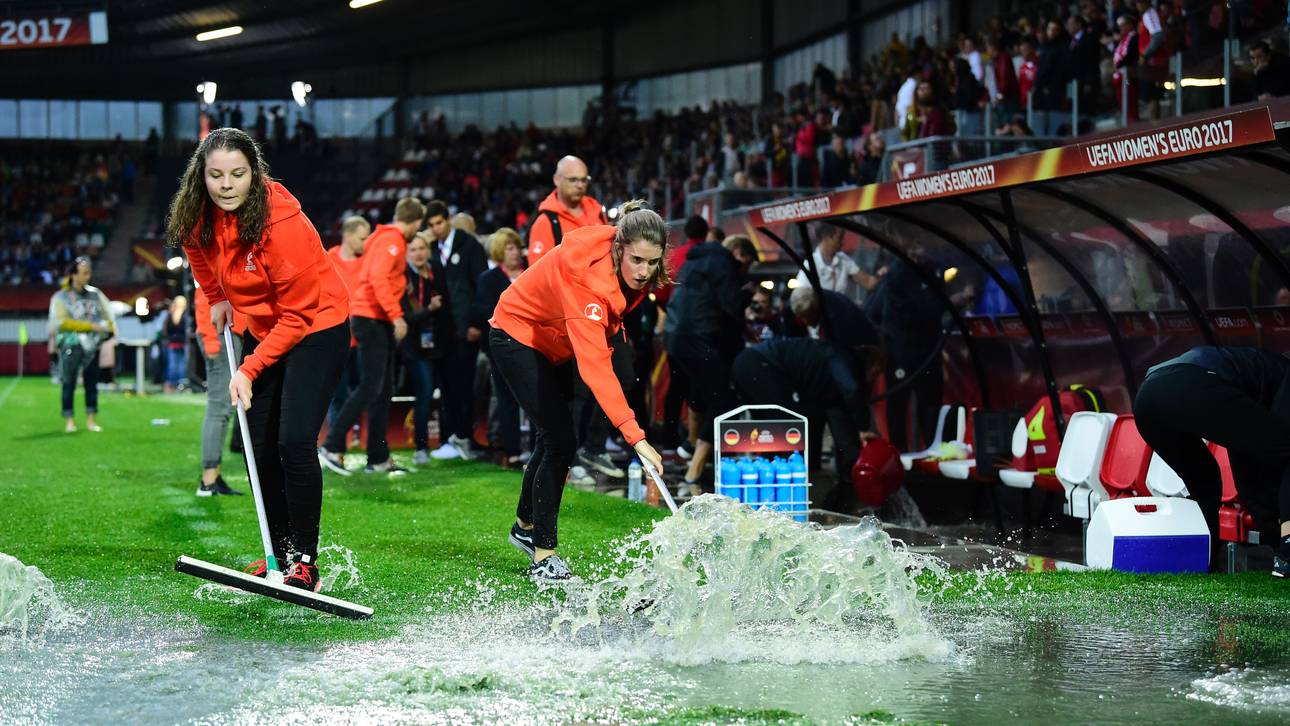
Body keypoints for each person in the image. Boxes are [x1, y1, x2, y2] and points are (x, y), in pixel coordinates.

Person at [170, 127, 350, 591]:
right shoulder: (198, 214)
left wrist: (249, 369)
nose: (226, 185)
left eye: (237, 174)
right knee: (259, 448)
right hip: (264, 327)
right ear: (201, 177)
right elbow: (199, 257)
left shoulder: (281, 224)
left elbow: (298, 315)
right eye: (215, 175)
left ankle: (306, 561)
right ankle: (280, 552)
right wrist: (216, 297)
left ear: (254, 174)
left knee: (293, 442)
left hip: (316, 327)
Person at [489, 200, 668, 581]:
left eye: (652, 263)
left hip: (554, 341)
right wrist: (636, 438)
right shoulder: (587, 280)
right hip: (515, 334)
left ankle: (524, 526)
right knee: (560, 440)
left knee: (555, 439)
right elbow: (595, 369)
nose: (644, 271)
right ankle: (543, 556)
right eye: (637, 260)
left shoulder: (629, 268)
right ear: (619, 248)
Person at [1134, 346, 1290, 577]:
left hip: (1147, 396)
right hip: (1191, 383)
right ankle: (1287, 552)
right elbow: (1266, 455)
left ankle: (1199, 563)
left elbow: (1248, 457)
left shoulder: (1258, 368)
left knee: (1204, 482)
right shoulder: (1284, 372)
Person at [320, 196, 426, 477]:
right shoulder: (392, 241)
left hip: (372, 318)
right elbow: (379, 279)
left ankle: (377, 457)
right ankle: (331, 446)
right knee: (371, 387)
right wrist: (396, 315)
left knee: (383, 390)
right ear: (416, 222)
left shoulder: (383, 239)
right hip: (372, 319)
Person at [732, 336, 881, 512]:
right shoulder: (843, 359)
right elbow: (852, 391)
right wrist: (864, 427)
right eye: (876, 374)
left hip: (747, 363)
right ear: (871, 365)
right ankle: (779, 502)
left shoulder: (825, 381)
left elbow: (841, 422)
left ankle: (768, 495)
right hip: (759, 364)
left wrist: (851, 461)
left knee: (773, 436)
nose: (874, 380)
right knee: (789, 434)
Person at [664, 234, 760, 498]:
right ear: (738, 252)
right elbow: (731, 306)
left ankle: (690, 443)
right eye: (747, 263)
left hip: (674, 336)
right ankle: (694, 468)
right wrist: (746, 294)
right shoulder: (724, 263)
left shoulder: (695, 260)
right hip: (699, 337)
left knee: (701, 388)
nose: (744, 270)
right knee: (724, 401)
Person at [423, 200, 489, 461]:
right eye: (431, 225)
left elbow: (481, 285)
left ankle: (465, 436)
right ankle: (451, 437)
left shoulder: (469, 246)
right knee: (447, 387)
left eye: (438, 223)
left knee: (464, 386)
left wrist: (476, 323)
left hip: (465, 330)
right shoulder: (431, 250)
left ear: (447, 219)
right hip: (442, 333)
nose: (436, 229)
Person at [654, 215, 709, 457]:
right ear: (705, 234)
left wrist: (673, 313)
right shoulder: (709, 257)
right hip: (702, 334)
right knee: (700, 386)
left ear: (685, 233)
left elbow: (662, 293)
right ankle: (696, 441)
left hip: (675, 331)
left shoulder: (674, 257)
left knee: (676, 386)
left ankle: (668, 440)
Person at [472, 228, 527, 466]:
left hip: (533, 344)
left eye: (516, 246)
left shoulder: (531, 273)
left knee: (536, 398)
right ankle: (512, 451)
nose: (514, 252)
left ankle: (537, 451)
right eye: (509, 248)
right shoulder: (489, 279)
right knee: (506, 399)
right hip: (502, 346)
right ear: (499, 252)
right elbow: (484, 311)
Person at [49, 256, 115, 433]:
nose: (88, 276)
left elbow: (108, 315)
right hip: (71, 345)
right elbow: (61, 322)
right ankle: (69, 420)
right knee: (68, 382)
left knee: (92, 382)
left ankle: (91, 420)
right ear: (73, 275)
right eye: (84, 273)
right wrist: (90, 326)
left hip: (93, 345)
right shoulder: (61, 296)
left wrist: (109, 328)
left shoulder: (95, 294)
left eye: (89, 272)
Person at [193, 281, 247, 496]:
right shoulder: (214, 252)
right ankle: (208, 480)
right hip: (220, 332)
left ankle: (214, 475)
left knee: (224, 408)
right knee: (220, 407)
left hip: (226, 331)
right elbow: (205, 292)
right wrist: (209, 339)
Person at [401, 233, 450, 465]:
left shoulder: (436, 272)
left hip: (438, 344)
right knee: (425, 393)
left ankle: (446, 442)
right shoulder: (402, 277)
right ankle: (421, 447)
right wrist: (429, 309)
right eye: (413, 250)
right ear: (406, 254)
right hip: (414, 346)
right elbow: (405, 317)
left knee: (442, 393)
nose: (418, 253)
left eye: (422, 248)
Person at [325, 215, 371, 433]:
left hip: (364, 339)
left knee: (365, 390)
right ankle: (336, 445)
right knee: (338, 394)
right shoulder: (327, 260)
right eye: (363, 237)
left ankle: (361, 436)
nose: (366, 242)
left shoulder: (368, 261)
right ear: (348, 235)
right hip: (337, 339)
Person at [525, 155, 607, 267]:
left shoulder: (598, 212)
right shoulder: (545, 223)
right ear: (556, 180)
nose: (580, 185)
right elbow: (537, 275)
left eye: (584, 180)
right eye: (573, 180)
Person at [793, 225, 878, 304]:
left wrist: (880, 276)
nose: (842, 242)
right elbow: (801, 297)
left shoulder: (843, 259)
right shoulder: (810, 265)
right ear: (826, 238)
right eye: (839, 238)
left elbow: (868, 282)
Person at [162, 295, 190, 393]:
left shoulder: (170, 315)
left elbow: (166, 330)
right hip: (182, 342)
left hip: (173, 342)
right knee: (182, 365)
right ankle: (180, 385)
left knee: (173, 365)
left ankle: (172, 384)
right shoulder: (186, 315)